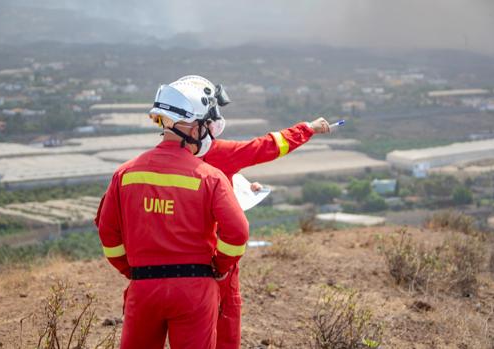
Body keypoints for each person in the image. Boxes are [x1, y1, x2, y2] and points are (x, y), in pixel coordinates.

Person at [152, 75, 331, 349]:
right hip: (213, 262)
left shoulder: (153, 163)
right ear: (202, 119)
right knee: (224, 326)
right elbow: (269, 145)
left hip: (159, 268)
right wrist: (307, 128)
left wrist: (240, 187)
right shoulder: (222, 154)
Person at [96, 79, 249, 349]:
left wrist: (129, 270)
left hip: (143, 287)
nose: (209, 133)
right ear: (192, 126)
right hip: (195, 289)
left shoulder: (125, 174)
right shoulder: (210, 177)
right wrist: (220, 267)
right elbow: (237, 233)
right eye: (207, 125)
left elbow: (108, 233)